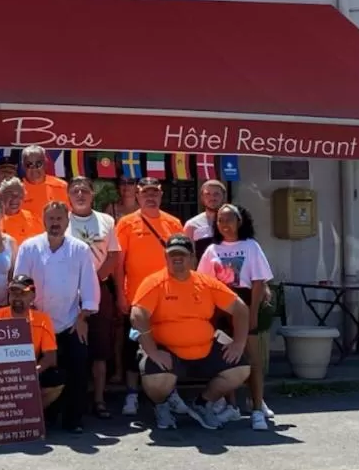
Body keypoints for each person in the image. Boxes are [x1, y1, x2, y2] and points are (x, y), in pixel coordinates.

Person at [131, 234, 252, 431]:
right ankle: (161, 405)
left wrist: (238, 343)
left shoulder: (206, 283)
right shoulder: (154, 282)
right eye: (172, 255)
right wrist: (152, 351)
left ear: (193, 259)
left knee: (241, 369)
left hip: (204, 349)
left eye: (182, 255)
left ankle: (203, 403)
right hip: (168, 351)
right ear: (166, 258)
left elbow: (240, 309)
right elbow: (137, 315)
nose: (177, 259)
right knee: (156, 378)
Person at [14, 201, 100, 433]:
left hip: (70, 322)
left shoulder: (80, 249)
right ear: (43, 220)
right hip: (38, 325)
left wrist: (83, 318)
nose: (55, 223)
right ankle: (44, 417)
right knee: (42, 372)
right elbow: (20, 286)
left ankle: (74, 420)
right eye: (51, 219)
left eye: (59, 219)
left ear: (67, 221)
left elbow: (90, 289)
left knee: (78, 368)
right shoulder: (29, 247)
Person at [197, 203, 275, 430]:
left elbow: (259, 282)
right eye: (220, 220)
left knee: (252, 359)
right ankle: (231, 406)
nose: (224, 224)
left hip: (246, 302)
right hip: (221, 308)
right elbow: (204, 284)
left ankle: (257, 407)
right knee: (227, 360)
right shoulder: (212, 250)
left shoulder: (251, 246)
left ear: (239, 222)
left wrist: (252, 313)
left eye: (229, 219)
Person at [114, 176, 186, 417]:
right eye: (145, 192)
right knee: (134, 348)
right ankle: (132, 394)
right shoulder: (125, 223)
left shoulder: (174, 223)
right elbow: (118, 263)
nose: (150, 196)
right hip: (137, 298)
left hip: (168, 299)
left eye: (155, 192)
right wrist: (121, 296)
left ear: (161, 195)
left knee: (169, 346)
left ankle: (171, 392)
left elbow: (185, 263)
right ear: (137, 195)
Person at [64, 177, 122, 420]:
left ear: (92, 195)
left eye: (84, 190)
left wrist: (93, 281)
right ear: (68, 196)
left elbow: (113, 255)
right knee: (71, 347)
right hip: (68, 292)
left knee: (99, 347)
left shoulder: (106, 221)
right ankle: (71, 400)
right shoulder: (61, 220)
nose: (80, 194)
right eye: (75, 191)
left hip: (99, 289)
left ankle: (99, 399)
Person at [0, 276, 65, 410]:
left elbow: (50, 358)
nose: (17, 298)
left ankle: (31, 412)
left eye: (23, 294)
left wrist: (33, 372)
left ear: (33, 296)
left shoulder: (43, 319)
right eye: (13, 293)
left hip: (30, 371)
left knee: (56, 378)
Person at [184, 180, 228, 259]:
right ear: (202, 197)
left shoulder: (234, 222)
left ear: (224, 196)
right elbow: (188, 257)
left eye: (216, 194)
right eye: (208, 194)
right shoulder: (192, 225)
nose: (212, 198)